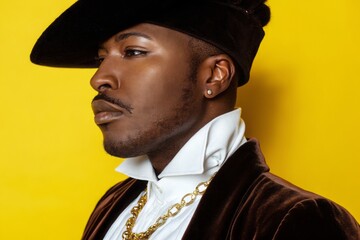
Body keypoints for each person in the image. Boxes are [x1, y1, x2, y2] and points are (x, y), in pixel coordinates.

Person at [31, 0, 360, 239]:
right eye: (101, 59)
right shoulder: (114, 203)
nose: (99, 78)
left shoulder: (294, 219)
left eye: (133, 52)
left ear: (215, 76)